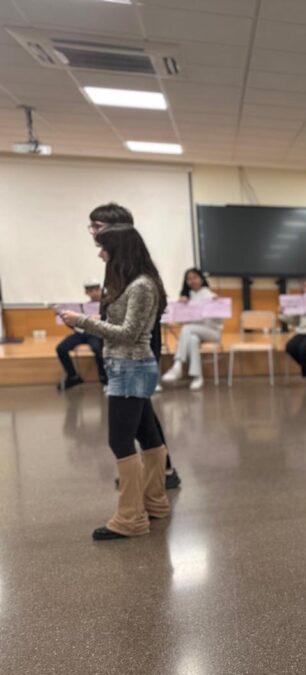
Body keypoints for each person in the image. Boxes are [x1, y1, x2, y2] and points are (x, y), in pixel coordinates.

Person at [58, 225, 171, 540]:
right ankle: (155, 501)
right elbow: (124, 326)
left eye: (103, 247)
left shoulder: (141, 285)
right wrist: (96, 322)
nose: (100, 254)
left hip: (130, 367)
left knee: (120, 441)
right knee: (148, 435)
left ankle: (131, 518)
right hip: (128, 366)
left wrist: (83, 322)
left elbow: (129, 334)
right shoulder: (134, 283)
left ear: (119, 250)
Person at [88, 202, 181, 490]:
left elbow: (134, 328)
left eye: (97, 226)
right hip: (121, 350)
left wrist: (86, 323)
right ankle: (161, 474)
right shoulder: (115, 265)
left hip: (136, 351)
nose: (93, 233)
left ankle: (160, 474)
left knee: (136, 415)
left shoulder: (138, 275)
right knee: (141, 415)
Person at [161, 268, 224, 390]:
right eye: (189, 279)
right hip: (195, 332)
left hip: (212, 332)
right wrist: (180, 307)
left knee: (187, 329)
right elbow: (181, 321)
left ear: (201, 279)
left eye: (195, 277)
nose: (192, 281)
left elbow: (219, 320)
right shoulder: (187, 298)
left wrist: (216, 305)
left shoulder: (210, 295)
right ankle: (197, 377)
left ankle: (178, 364)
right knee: (192, 339)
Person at [55, 279, 106, 390]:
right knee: (61, 348)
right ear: (86, 293)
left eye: (95, 290)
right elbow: (75, 326)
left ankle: (104, 379)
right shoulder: (82, 306)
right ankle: (73, 376)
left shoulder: (106, 304)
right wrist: (66, 318)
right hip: (81, 333)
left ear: (100, 290)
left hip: (96, 333)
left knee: (97, 348)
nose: (93, 293)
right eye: (90, 291)